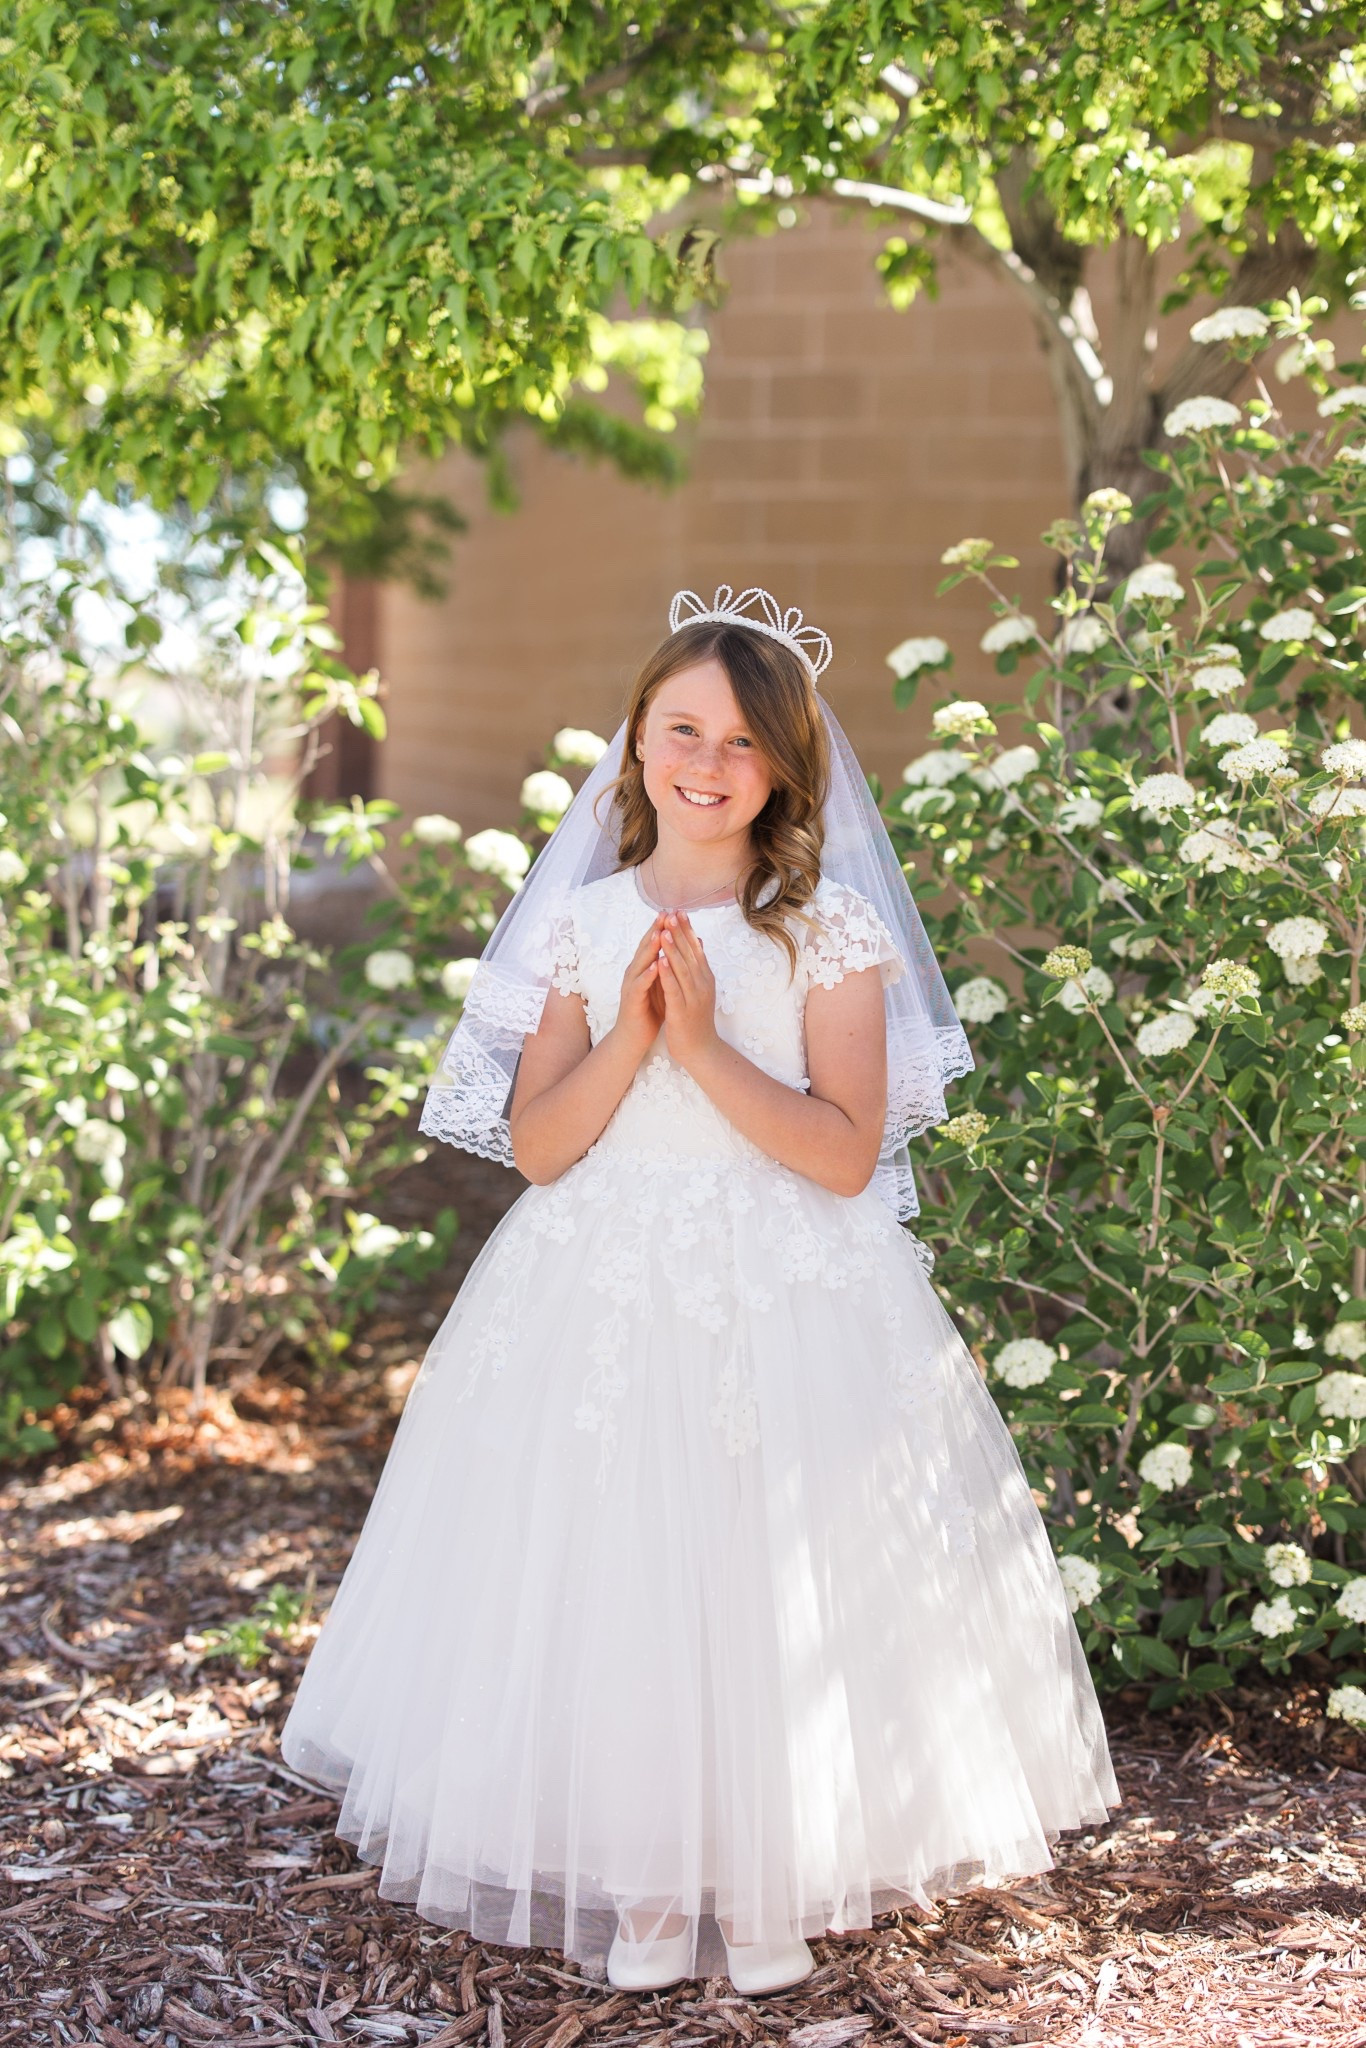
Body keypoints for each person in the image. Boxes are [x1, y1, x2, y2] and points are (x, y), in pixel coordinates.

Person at [280, 586, 1119, 1997]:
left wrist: (707, 1043)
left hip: (787, 1287)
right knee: (612, 1564)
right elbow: (542, 1148)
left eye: (741, 742)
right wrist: (635, 1036)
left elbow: (844, 1155)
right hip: (596, 1279)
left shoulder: (824, 929)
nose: (707, 762)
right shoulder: (583, 924)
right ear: (636, 742)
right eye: (681, 729)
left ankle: (768, 1865)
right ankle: (643, 1876)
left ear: (785, 769)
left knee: (760, 1562)